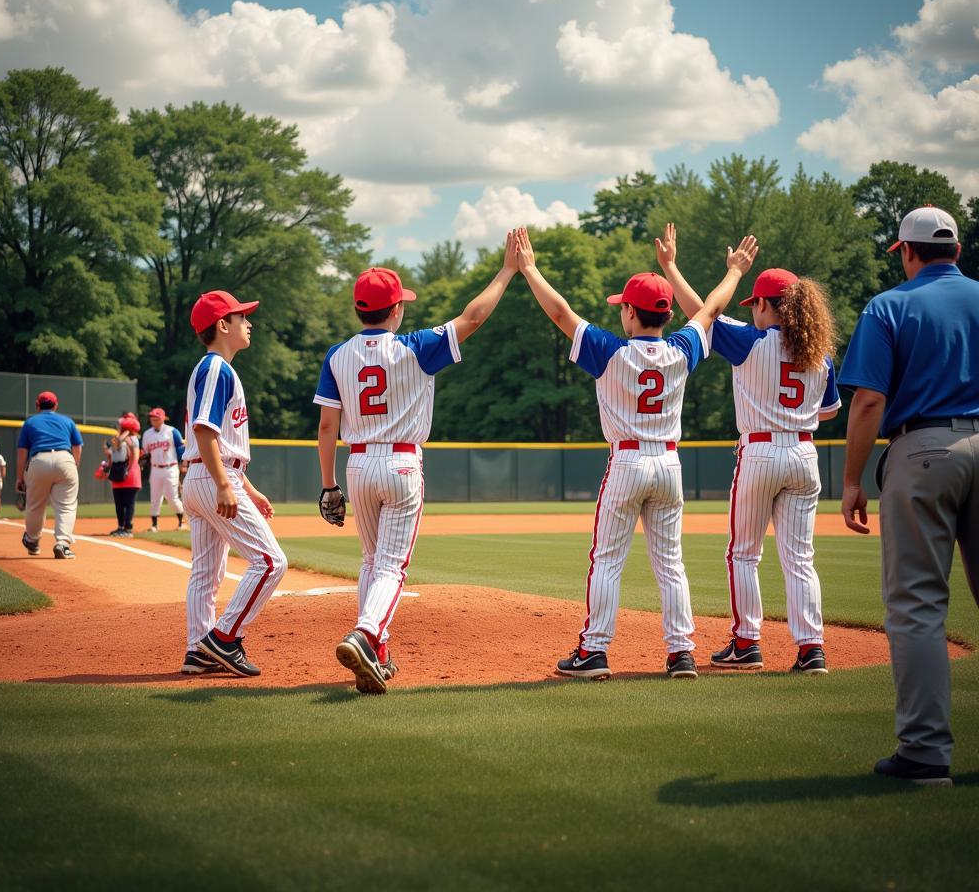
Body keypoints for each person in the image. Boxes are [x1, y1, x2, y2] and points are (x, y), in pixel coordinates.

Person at [515, 225, 759, 680]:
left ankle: (594, 651)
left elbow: (560, 312)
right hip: (669, 464)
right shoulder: (681, 348)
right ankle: (682, 653)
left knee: (607, 559)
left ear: (629, 312)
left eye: (622, 307)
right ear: (664, 314)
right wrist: (735, 272)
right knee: (671, 563)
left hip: (627, 461)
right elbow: (711, 310)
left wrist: (529, 268)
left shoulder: (609, 351)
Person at [315, 240, 518, 694]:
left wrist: (328, 487)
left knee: (371, 561)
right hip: (402, 463)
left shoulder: (337, 355)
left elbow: (328, 426)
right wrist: (505, 272)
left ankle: (378, 651)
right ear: (395, 310)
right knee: (391, 566)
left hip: (358, 464)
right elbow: (473, 318)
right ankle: (366, 635)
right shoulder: (415, 347)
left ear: (357, 309)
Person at [658, 225, 842, 674]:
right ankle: (811, 648)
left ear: (763, 304)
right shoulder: (821, 354)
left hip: (760, 453)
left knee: (744, 552)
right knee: (800, 558)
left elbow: (701, 312)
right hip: (804, 454)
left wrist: (671, 267)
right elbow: (829, 412)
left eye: (755, 305)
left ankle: (746, 642)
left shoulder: (750, 341)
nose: (752, 312)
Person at [839, 205, 978, 786]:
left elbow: (869, 401)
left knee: (919, 606)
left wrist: (852, 479)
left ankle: (925, 754)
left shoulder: (890, 305)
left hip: (924, 452)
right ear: (958, 250)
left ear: (906, 251)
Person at [180, 289, 287, 678]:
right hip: (213, 477)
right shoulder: (215, 368)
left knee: (206, 573)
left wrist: (247, 487)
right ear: (223, 325)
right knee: (271, 562)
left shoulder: (213, 369)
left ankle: (198, 649)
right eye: (242, 318)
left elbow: (217, 439)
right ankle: (224, 638)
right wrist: (225, 485)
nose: (249, 323)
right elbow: (205, 431)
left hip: (204, 475)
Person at [16, 391, 83, 559]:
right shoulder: (67, 421)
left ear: (37, 405)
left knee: (35, 505)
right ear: (56, 405)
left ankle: (32, 540)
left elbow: (22, 452)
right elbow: (77, 446)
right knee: (66, 505)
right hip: (65, 459)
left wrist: (20, 477)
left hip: (39, 460)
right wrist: (73, 465)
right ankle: (62, 543)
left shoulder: (30, 422)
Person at [141, 408, 188, 531]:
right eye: (152, 418)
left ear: (162, 418)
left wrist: (183, 464)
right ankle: (154, 525)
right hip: (155, 468)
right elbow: (145, 453)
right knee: (155, 497)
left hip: (170, 468)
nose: (153, 420)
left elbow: (180, 449)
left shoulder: (172, 431)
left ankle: (181, 522)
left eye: (156, 418)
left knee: (172, 497)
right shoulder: (147, 434)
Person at [105, 413, 142, 538]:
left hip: (130, 474)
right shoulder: (117, 439)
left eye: (121, 426)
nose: (118, 427)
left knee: (129, 503)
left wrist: (128, 470)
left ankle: (128, 528)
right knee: (119, 503)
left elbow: (135, 458)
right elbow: (113, 454)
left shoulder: (133, 440)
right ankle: (121, 526)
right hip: (118, 473)